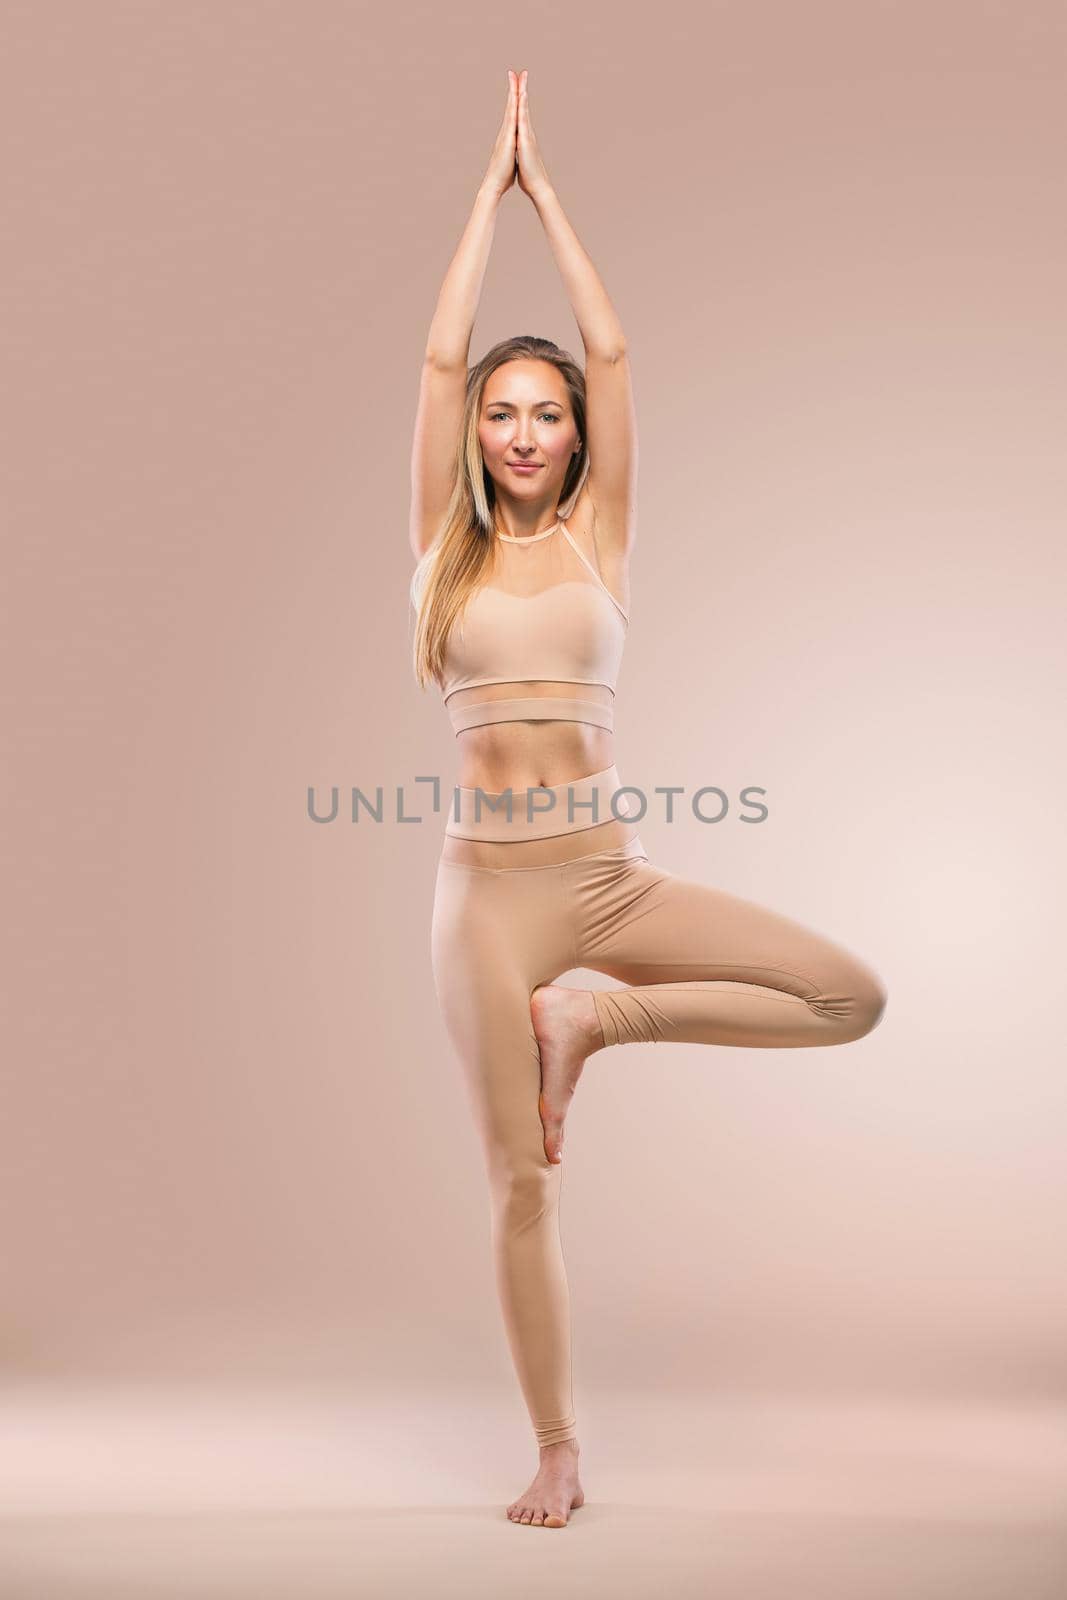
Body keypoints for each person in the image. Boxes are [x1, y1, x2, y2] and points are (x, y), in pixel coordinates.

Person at [408, 69, 887, 1529]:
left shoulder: (605, 540)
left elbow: (615, 351)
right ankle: (557, 1444)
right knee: (520, 1186)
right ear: (481, 434)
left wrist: (549, 194)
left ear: (577, 438)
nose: (527, 431)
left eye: (547, 414)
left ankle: (597, 1019)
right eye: (506, 413)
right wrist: (480, 209)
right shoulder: (445, 553)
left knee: (845, 995)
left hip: (605, 881)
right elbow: (434, 369)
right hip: (486, 902)